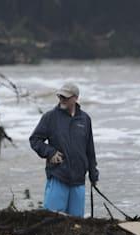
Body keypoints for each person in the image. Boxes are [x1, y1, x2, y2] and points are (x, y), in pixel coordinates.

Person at [29, 82, 98, 217]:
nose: (62, 99)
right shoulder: (50, 117)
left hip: (79, 179)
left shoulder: (85, 119)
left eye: (65, 97)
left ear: (75, 98)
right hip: (58, 176)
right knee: (52, 219)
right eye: (60, 96)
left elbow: (90, 149)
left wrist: (93, 174)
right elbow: (35, 140)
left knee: (77, 222)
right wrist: (50, 152)